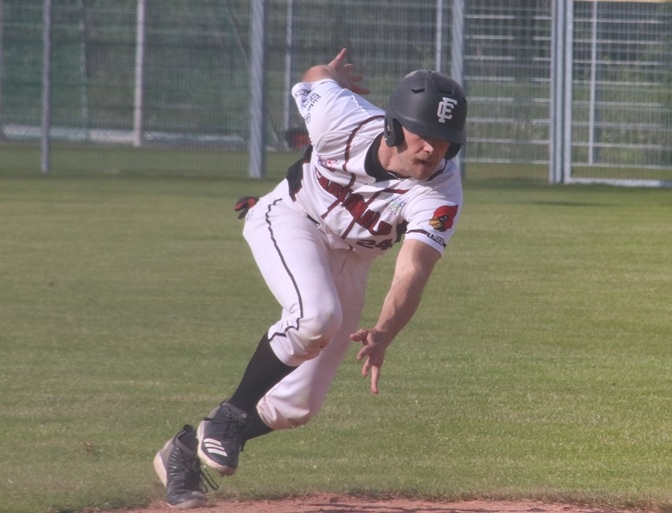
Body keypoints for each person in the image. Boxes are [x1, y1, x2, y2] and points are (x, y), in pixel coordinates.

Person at [153, 48, 467, 509]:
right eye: (425, 135)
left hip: (353, 259)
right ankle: (229, 415)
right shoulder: (339, 117)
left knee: (296, 405)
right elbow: (317, 77)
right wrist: (330, 74)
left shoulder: (440, 190)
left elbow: (413, 269)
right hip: (292, 219)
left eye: (445, 140)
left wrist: (384, 331)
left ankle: (183, 451)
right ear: (394, 126)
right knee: (315, 317)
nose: (433, 149)